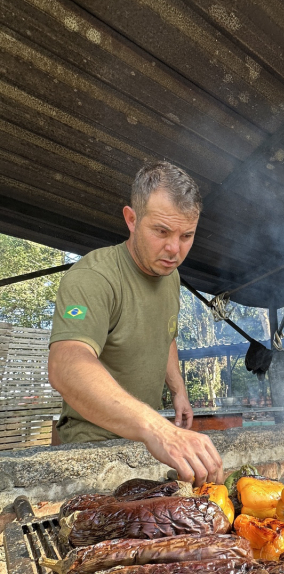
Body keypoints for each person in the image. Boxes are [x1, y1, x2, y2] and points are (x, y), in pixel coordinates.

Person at [48, 162, 223, 486]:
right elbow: (66, 362)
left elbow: (165, 333)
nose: (174, 249)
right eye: (161, 231)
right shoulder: (93, 276)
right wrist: (157, 428)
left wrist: (179, 392)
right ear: (131, 219)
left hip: (145, 447)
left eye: (187, 235)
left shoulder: (170, 276)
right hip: (92, 450)